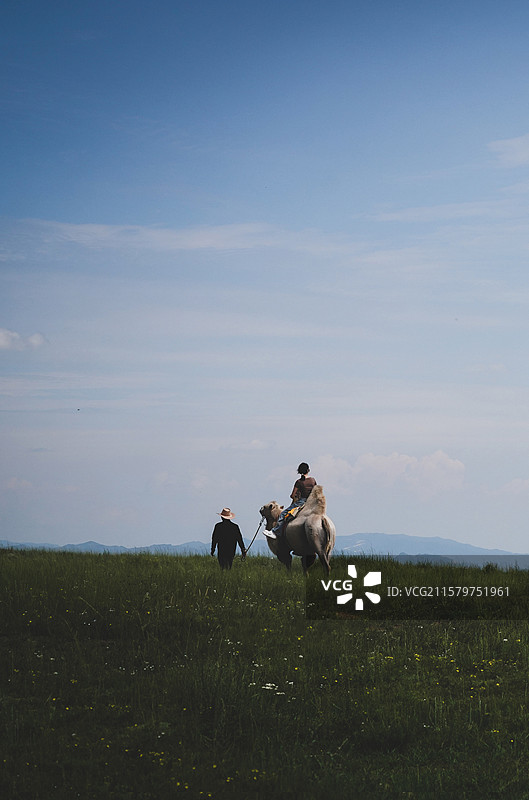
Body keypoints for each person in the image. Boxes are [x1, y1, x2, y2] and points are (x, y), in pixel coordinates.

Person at [264, 462, 317, 540]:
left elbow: (292, 495)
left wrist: (295, 497)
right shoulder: (313, 480)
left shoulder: (299, 482)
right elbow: (316, 491)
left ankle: (275, 532)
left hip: (301, 502)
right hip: (312, 503)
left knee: (283, 514)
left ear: (299, 471)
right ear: (308, 470)